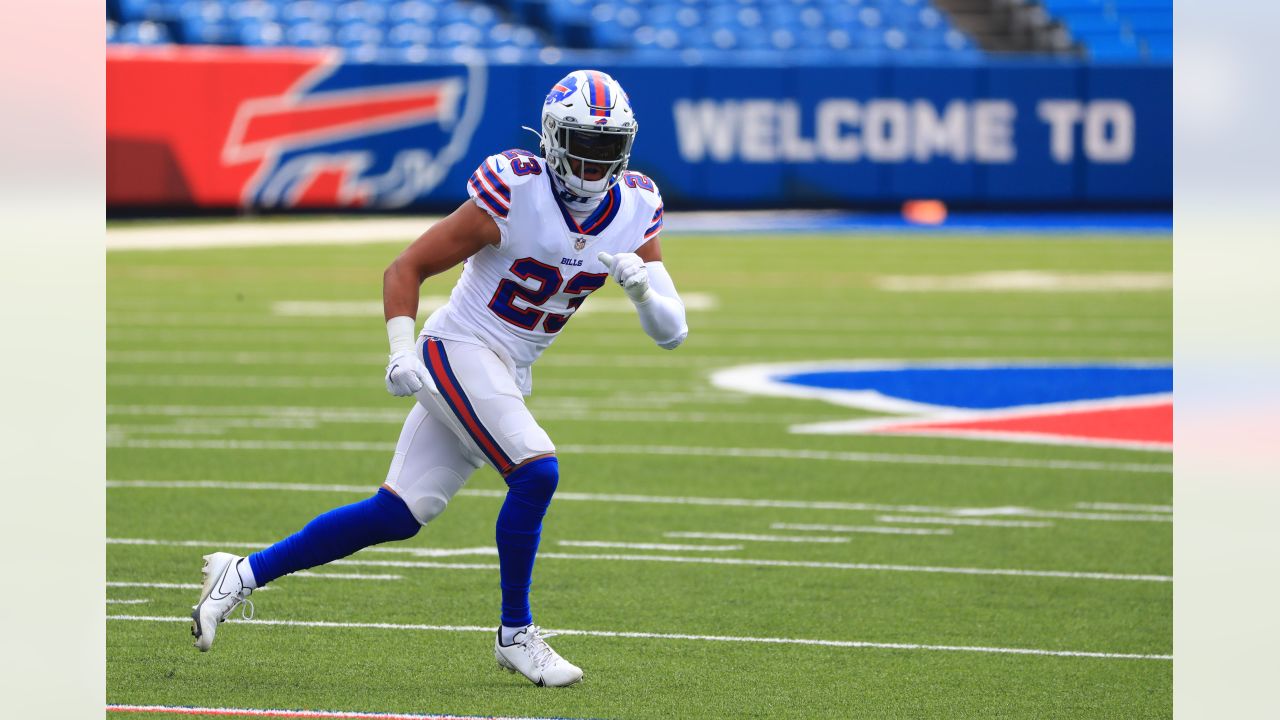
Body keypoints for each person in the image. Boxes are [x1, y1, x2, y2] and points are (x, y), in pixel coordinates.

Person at [188, 70, 688, 688]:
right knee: (536, 471)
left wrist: (642, 290)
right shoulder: (517, 188)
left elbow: (672, 332)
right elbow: (408, 267)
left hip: (508, 366)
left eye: (606, 146)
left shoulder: (637, 204)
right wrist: (401, 350)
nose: (592, 162)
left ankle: (240, 573)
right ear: (554, 140)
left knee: (400, 513)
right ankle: (516, 634)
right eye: (582, 143)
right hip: (460, 346)